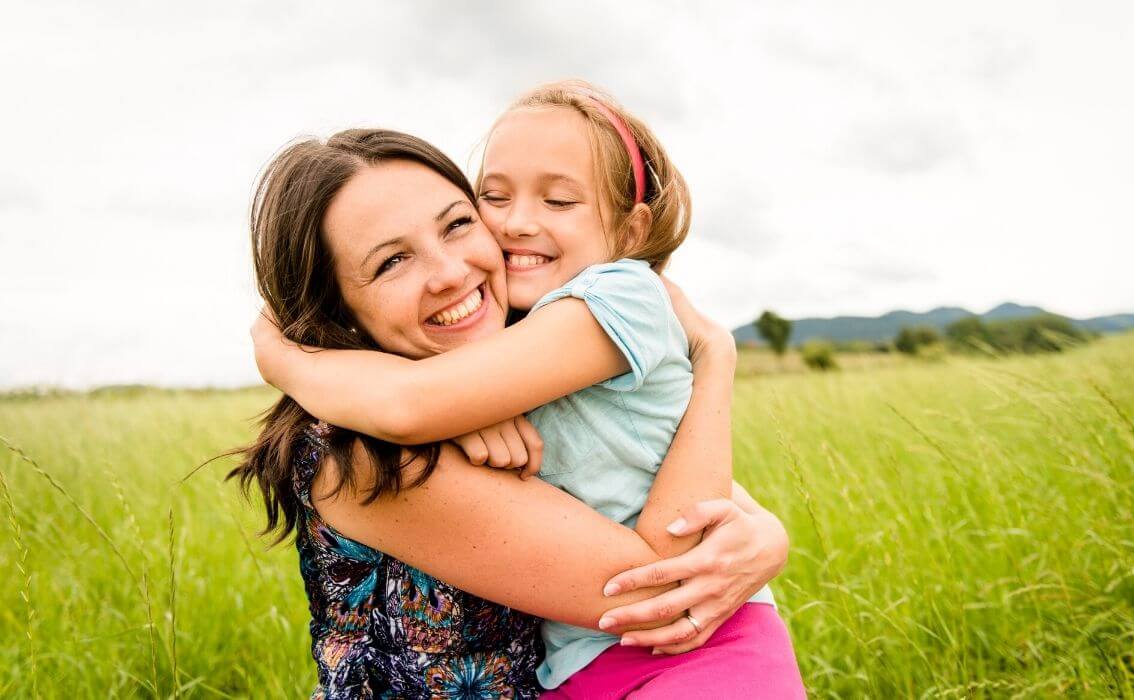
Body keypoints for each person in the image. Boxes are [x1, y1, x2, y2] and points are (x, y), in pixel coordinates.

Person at [251, 82, 804, 698]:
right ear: (336, 309)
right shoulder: (358, 450)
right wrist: (282, 354)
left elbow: (664, 471)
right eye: (391, 261)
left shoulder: (537, 347)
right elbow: (663, 592)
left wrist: (766, 537)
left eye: (459, 223)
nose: (453, 272)